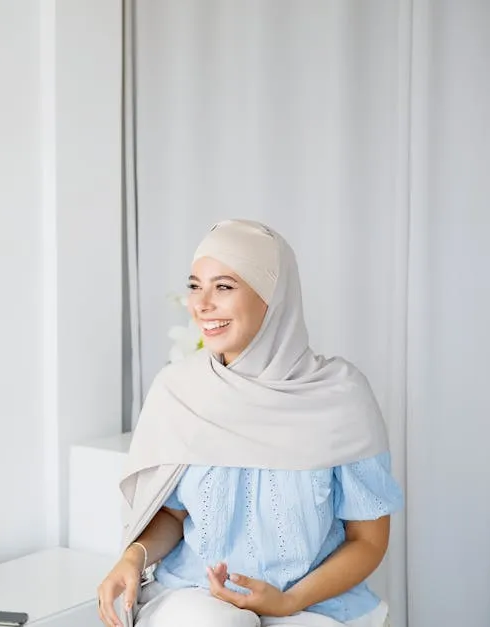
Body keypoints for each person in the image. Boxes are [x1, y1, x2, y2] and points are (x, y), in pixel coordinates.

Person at [97, 220, 404, 627]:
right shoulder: (178, 391)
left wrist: (289, 600)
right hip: (196, 593)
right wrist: (132, 557)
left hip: (312, 602)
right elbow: (170, 516)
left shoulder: (340, 396)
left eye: (223, 287)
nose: (202, 304)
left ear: (272, 297)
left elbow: (367, 541)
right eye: (195, 285)